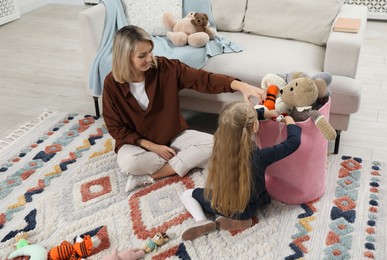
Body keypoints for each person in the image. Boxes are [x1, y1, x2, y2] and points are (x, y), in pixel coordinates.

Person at [102, 25, 266, 192]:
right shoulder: (111, 84)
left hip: (173, 136)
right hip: (138, 144)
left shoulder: (166, 68)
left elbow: (203, 79)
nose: (150, 58)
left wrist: (240, 85)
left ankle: (154, 176)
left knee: (213, 145)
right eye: (142, 56)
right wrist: (152, 147)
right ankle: (188, 160)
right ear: (125, 58)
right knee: (129, 162)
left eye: (150, 51)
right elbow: (115, 127)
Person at [179, 101, 302, 241]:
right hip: (252, 206)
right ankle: (241, 219)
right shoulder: (260, 156)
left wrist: (262, 113)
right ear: (255, 126)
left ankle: (201, 220)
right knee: (253, 189)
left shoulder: (219, 146)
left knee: (187, 194)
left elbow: (240, 119)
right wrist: (290, 121)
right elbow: (293, 142)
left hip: (221, 205)